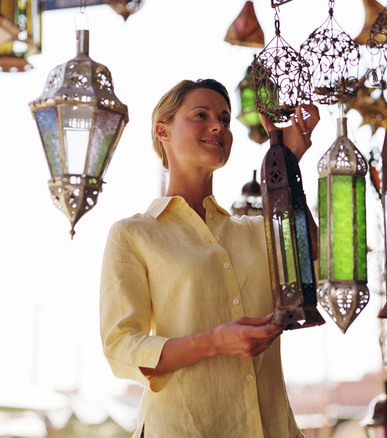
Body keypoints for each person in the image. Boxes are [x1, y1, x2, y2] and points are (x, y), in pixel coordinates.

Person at [99, 78, 320, 437]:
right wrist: (216, 341)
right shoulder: (133, 234)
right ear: (162, 131)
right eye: (200, 115)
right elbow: (121, 347)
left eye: (225, 118)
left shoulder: (256, 231)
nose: (218, 125)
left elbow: (309, 262)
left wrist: (288, 162)